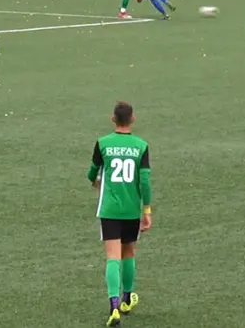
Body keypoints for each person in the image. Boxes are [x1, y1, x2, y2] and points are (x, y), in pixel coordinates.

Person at [87, 101, 153, 327]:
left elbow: (92, 173)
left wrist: (96, 180)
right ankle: (127, 299)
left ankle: (113, 305)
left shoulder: (102, 143)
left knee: (112, 257)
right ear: (132, 119)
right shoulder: (141, 146)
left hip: (110, 210)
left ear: (113, 119)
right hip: (131, 210)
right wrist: (146, 210)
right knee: (129, 252)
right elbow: (145, 181)